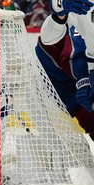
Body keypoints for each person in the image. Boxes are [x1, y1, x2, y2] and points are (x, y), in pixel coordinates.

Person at [35, 0, 94, 139]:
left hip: (76, 65)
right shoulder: (81, 7)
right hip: (55, 76)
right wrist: (58, 12)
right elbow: (49, 39)